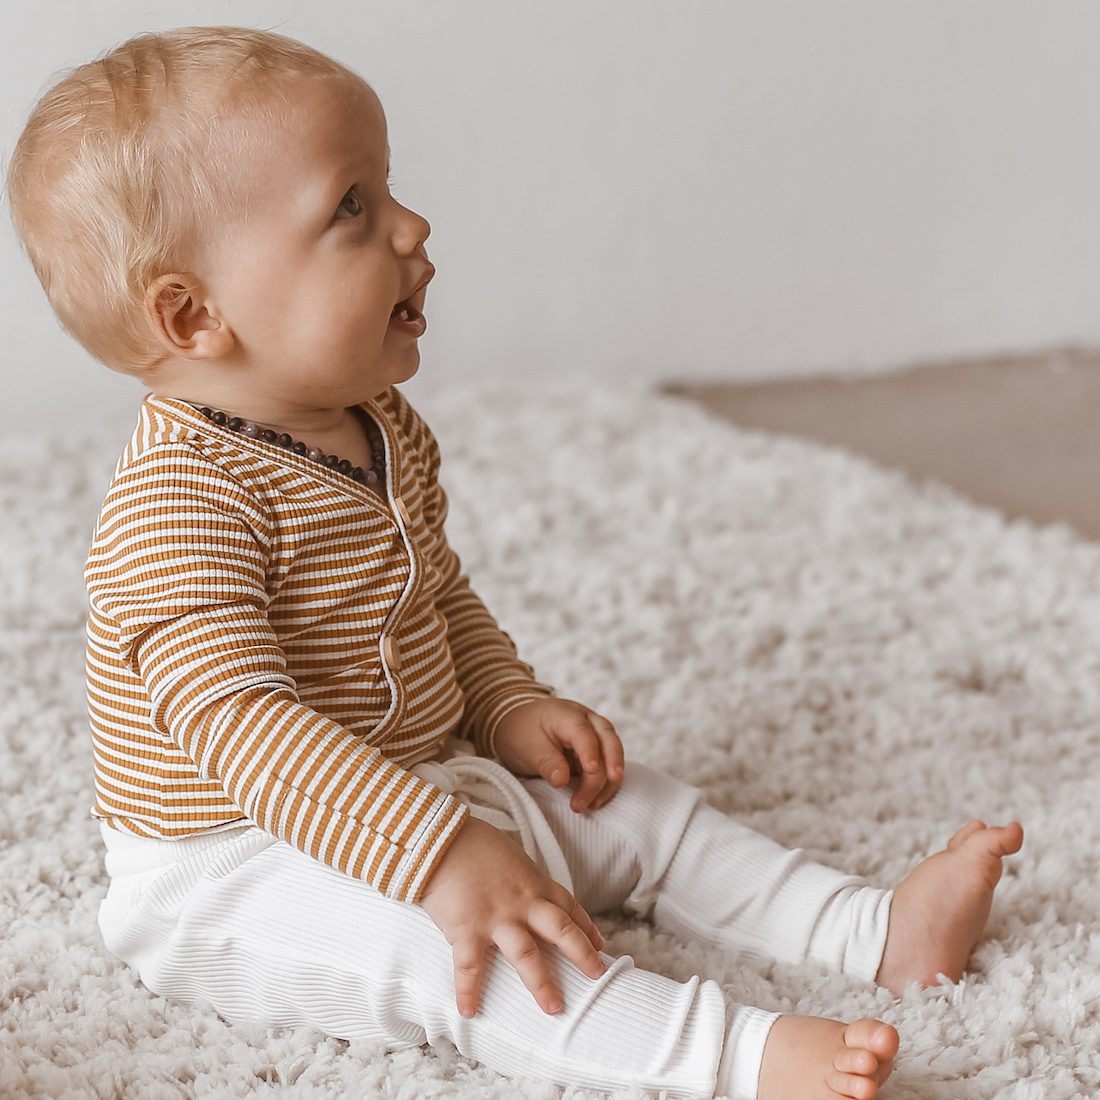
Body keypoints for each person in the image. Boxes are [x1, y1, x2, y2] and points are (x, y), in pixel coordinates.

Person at [5, 26, 1024, 1100]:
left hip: (401, 776)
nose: (411, 224)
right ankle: (735, 1056)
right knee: (472, 953)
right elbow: (246, 730)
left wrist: (500, 704)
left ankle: (872, 930)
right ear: (191, 313)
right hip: (241, 856)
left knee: (633, 810)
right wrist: (440, 855)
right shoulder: (175, 509)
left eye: (386, 186)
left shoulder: (375, 422)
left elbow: (433, 589)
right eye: (350, 206)